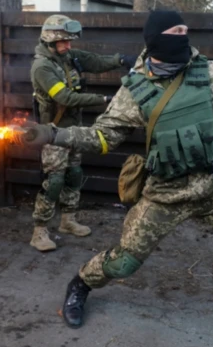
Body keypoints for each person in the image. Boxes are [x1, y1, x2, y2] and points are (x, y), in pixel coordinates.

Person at [11, 10, 213, 347]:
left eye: (185, 29)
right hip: (165, 194)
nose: (183, 35)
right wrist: (52, 135)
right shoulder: (134, 91)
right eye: (174, 30)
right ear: (155, 39)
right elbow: (102, 138)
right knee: (123, 263)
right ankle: (80, 285)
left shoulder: (209, 73)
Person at [28, 14, 137, 251]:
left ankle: (67, 221)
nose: (69, 45)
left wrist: (121, 60)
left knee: (74, 174)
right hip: (52, 132)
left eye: (70, 41)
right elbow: (65, 97)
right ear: (50, 41)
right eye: (64, 41)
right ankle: (39, 231)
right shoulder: (42, 67)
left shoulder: (68, 57)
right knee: (53, 181)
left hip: (74, 130)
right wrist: (106, 98)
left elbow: (95, 62)